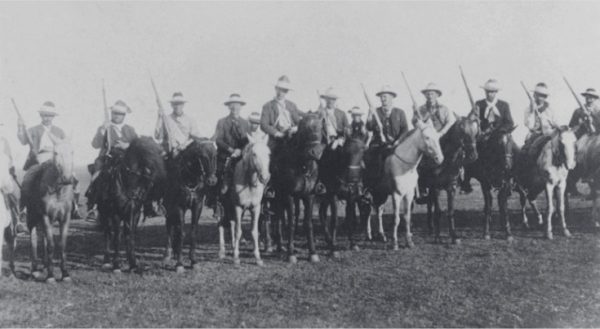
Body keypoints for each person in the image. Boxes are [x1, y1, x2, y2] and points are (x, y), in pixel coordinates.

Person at [17, 101, 82, 219]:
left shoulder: (59, 131)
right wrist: (20, 127)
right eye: (44, 115)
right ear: (40, 115)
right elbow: (23, 141)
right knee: (27, 180)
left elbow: (65, 147)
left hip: (56, 160)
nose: (47, 118)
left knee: (74, 179)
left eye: (49, 115)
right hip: (39, 160)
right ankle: (24, 209)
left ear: (53, 117)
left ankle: (75, 207)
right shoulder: (33, 130)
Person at [460, 79, 514, 193]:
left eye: (493, 92)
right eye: (488, 92)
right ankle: (466, 182)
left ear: (496, 92)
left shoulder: (504, 105)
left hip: (499, 136)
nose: (490, 94)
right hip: (483, 136)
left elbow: (510, 122)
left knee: (509, 152)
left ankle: (509, 179)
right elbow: (470, 120)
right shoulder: (479, 104)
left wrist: (501, 131)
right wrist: (473, 117)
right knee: (470, 151)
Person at [86, 100, 138, 210]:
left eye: (120, 114)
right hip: (108, 158)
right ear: (111, 113)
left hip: (126, 158)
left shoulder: (130, 129)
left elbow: (137, 145)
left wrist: (127, 145)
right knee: (97, 175)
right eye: (115, 113)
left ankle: (147, 204)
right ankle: (93, 204)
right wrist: (102, 130)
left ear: (124, 115)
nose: (117, 116)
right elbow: (95, 144)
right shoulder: (105, 127)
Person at [260, 75, 305, 196]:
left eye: (284, 90)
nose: (281, 93)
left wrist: (295, 128)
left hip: (291, 138)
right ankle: (270, 186)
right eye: (279, 89)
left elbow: (299, 121)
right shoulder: (268, 106)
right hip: (276, 140)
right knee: (270, 160)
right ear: (276, 89)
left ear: (287, 92)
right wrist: (277, 133)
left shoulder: (292, 105)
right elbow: (264, 124)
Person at [414, 83, 456, 203]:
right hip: (429, 141)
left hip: (442, 139)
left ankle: (460, 182)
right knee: (419, 162)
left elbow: (450, 122)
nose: (430, 96)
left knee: (454, 158)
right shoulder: (421, 109)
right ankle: (422, 189)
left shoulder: (444, 108)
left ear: (437, 95)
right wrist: (418, 117)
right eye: (427, 94)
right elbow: (415, 123)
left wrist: (441, 133)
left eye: (432, 93)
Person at [364, 85, 408, 183]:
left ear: (392, 98)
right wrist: (370, 115)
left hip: (397, 144)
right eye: (381, 97)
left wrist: (398, 141)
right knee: (368, 158)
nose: (383, 99)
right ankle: (369, 186)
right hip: (379, 145)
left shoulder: (400, 112)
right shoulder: (376, 111)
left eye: (385, 96)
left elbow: (405, 129)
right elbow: (369, 127)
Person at [215, 94, 250, 195]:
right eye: (232, 105)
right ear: (229, 107)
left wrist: (240, 150)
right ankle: (216, 201)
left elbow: (247, 140)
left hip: (241, 156)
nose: (235, 107)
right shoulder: (222, 122)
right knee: (218, 176)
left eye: (237, 105)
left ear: (241, 107)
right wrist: (231, 150)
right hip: (225, 156)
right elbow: (219, 140)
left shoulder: (245, 123)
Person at [521, 82, 557, 161]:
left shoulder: (549, 109)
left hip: (549, 134)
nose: (541, 98)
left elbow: (554, 122)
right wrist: (532, 111)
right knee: (525, 151)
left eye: (543, 96)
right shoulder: (528, 109)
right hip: (535, 134)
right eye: (539, 95)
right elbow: (529, 125)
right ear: (535, 95)